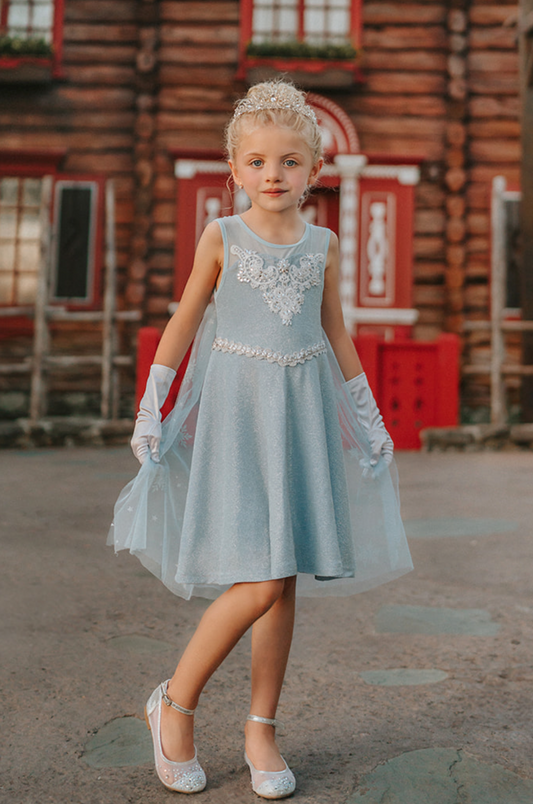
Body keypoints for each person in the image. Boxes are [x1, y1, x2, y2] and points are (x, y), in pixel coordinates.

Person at [108, 80, 412, 799]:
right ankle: (173, 705)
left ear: (314, 170)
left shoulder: (325, 243)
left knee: (285, 577)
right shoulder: (223, 236)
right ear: (233, 169)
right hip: (239, 414)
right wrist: (152, 405)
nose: (271, 175)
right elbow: (184, 322)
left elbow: (335, 333)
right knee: (262, 576)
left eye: (287, 161)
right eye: (255, 162)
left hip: (301, 412)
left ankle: (260, 729)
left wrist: (365, 417)